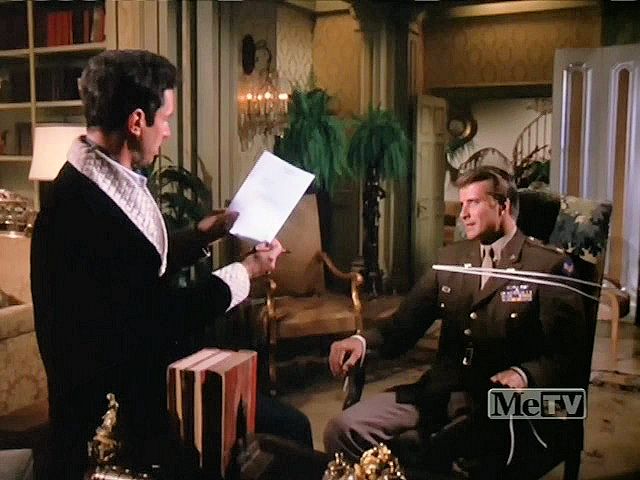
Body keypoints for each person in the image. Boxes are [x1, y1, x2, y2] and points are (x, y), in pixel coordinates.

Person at [31, 50, 310, 479]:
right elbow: (162, 316)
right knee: (291, 430)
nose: (167, 131)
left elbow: (135, 264)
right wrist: (247, 272)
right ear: (136, 121)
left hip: (134, 381)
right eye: (165, 118)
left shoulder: (90, 181)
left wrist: (203, 233)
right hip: (114, 417)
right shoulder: (83, 209)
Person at [324, 166, 586, 478]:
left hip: (500, 406)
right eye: (462, 204)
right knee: (343, 429)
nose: (463, 214)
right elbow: (402, 327)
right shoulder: (450, 259)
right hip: (439, 393)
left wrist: (524, 374)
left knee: (448, 453)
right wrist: (360, 340)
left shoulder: (546, 265)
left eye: (473, 203)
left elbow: (570, 354)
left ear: (503, 206)